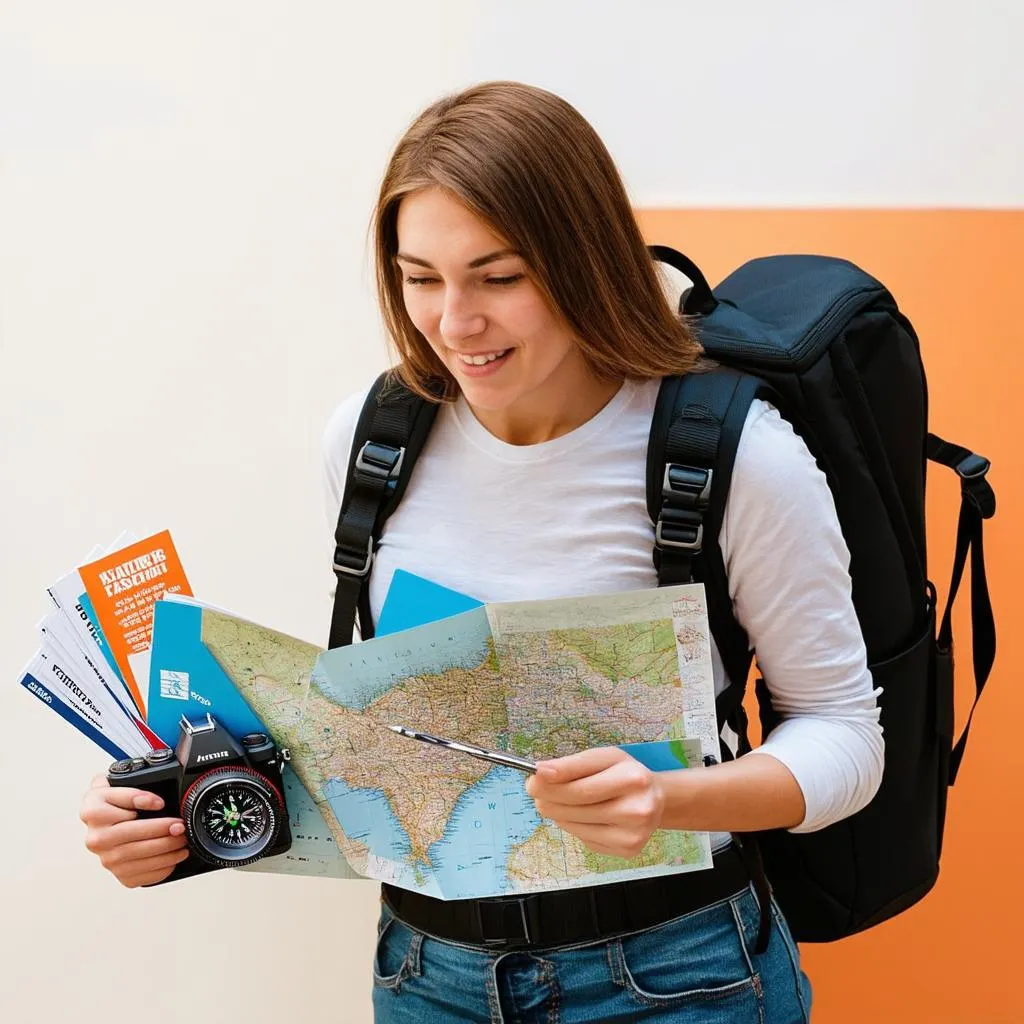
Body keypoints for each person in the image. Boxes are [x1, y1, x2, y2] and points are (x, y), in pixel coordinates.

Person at [79, 81, 883, 1023]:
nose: (454, 323)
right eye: (421, 277)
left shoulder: (735, 455)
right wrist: (180, 818)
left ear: (584, 263)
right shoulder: (372, 438)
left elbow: (847, 739)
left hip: (676, 975)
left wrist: (669, 800)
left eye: (498, 278)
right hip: (427, 976)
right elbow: (378, 743)